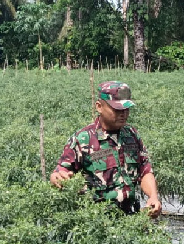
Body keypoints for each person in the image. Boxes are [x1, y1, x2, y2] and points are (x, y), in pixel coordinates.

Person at [50, 81, 162, 217]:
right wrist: (58, 177)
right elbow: (61, 171)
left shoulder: (131, 134)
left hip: (131, 218)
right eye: (117, 109)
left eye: (126, 109)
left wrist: (153, 197)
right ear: (99, 107)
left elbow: (145, 170)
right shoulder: (83, 139)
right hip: (98, 222)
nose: (123, 114)